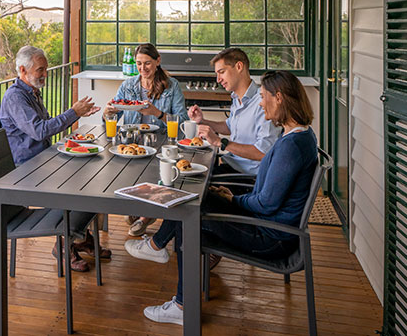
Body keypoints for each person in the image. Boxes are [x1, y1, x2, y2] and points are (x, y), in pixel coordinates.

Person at [125, 70, 319, 326]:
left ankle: (178, 295)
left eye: (263, 97)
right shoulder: (300, 136)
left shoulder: (291, 147)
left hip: (270, 237)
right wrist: (228, 197)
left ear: (279, 98)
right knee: (194, 198)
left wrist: (232, 200)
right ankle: (162, 255)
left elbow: (266, 203)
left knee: (190, 208)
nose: (261, 104)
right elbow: (267, 197)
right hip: (270, 225)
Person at [0, 45, 109, 272]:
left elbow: (46, 127)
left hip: (42, 159)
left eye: (45, 69)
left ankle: (78, 237)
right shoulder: (15, 98)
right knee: (76, 179)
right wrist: (73, 113)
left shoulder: (31, 93)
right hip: (26, 168)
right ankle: (63, 246)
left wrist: (76, 116)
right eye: (40, 70)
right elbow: (40, 131)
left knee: (88, 171)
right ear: (22, 70)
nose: (45, 74)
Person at [102, 43, 187, 236]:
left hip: (162, 143)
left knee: (157, 176)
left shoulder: (172, 86)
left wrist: (157, 113)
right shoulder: (128, 85)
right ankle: (138, 209)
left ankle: (145, 217)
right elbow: (115, 117)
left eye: (147, 63)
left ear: (158, 61)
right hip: (134, 142)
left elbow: (182, 123)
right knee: (124, 173)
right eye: (139, 64)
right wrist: (108, 113)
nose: (143, 68)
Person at [188, 48, 282, 176]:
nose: (218, 79)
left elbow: (263, 152)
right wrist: (202, 120)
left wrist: (220, 142)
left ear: (239, 66)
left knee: (192, 179)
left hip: (246, 178)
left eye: (222, 72)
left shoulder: (263, 103)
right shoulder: (237, 98)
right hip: (231, 166)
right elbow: (230, 126)